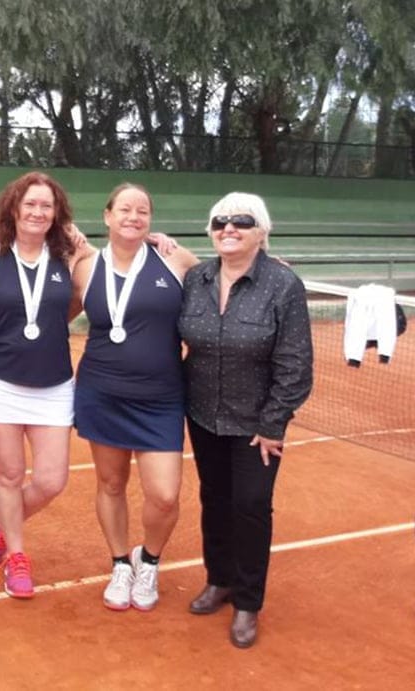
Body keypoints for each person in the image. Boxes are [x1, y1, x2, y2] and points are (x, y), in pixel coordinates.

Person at [179, 192, 312, 648]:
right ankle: (219, 580)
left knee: (251, 507)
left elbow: (295, 363)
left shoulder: (282, 285)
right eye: (220, 221)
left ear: (262, 232)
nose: (229, 228)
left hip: (258, 426)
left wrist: (274, 423)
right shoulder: (196, 278)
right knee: (214, 499)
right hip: (203, 415)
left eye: (242, 221)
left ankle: (248, 602)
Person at [71, 183, 199, 612]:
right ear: (107, 216)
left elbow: (225, 287)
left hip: (161, 398)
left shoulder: (174, 259)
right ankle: (121, 562)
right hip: (101, 391)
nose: (133, 216)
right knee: (110, 483)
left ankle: (151, 560)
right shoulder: (85, 266)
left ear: (150, 220)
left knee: (164, 495)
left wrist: (268, 266)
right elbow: (51, 311)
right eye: (124, 209)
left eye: (142, 210)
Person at [0, 172, 86, 599]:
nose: (38, 212)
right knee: (10, 473)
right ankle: (17, 556)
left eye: (47, 205)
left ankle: (6, 523)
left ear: (57, 214)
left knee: (52, 480)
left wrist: (157, 242)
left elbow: (116, 256)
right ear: (14, 209)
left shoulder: (70, 255)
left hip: (54, 383)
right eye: (31, 204)